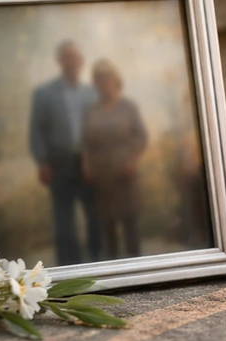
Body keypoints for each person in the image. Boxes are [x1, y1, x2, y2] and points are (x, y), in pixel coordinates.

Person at [28, 40, 103, 265]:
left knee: (95, 217)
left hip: (88, 162)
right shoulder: (44, 94)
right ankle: (69, 271)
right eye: (67, 57)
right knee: (64, 221)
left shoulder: (92, 93)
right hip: (58, 163)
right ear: (60, 61)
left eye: (76, 57)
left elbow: (100, 130)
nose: (72, 62)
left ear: (81, 62)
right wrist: (41, 161)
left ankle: (100, 265)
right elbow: (36, 130)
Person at [82, 59, 148, 259]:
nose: (105, 85)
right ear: (96, 84)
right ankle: (114, 273)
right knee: (107, 227)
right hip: (102, 175)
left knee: (130, 224)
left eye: (108, 80)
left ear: (116, 81)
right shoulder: (92, 110)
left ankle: (137, 270)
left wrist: (132, 161)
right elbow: (85, 143)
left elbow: (141, 137)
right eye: (100, 81)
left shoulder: (128, 106)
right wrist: (86, 166)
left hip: (125, 172)